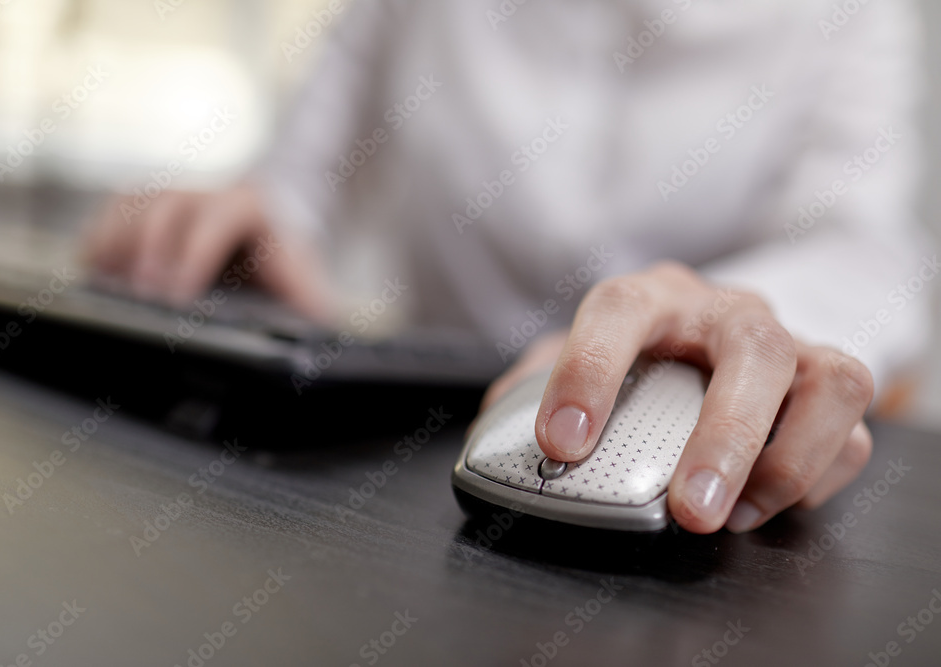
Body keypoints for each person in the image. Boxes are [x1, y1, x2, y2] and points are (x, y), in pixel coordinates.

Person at [84, 0, 933, 534]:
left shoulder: (848, 15)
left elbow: (867, 242)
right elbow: (293, 183)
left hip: (680, 451)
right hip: (410, 454)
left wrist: (750, 316)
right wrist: (230, 227)